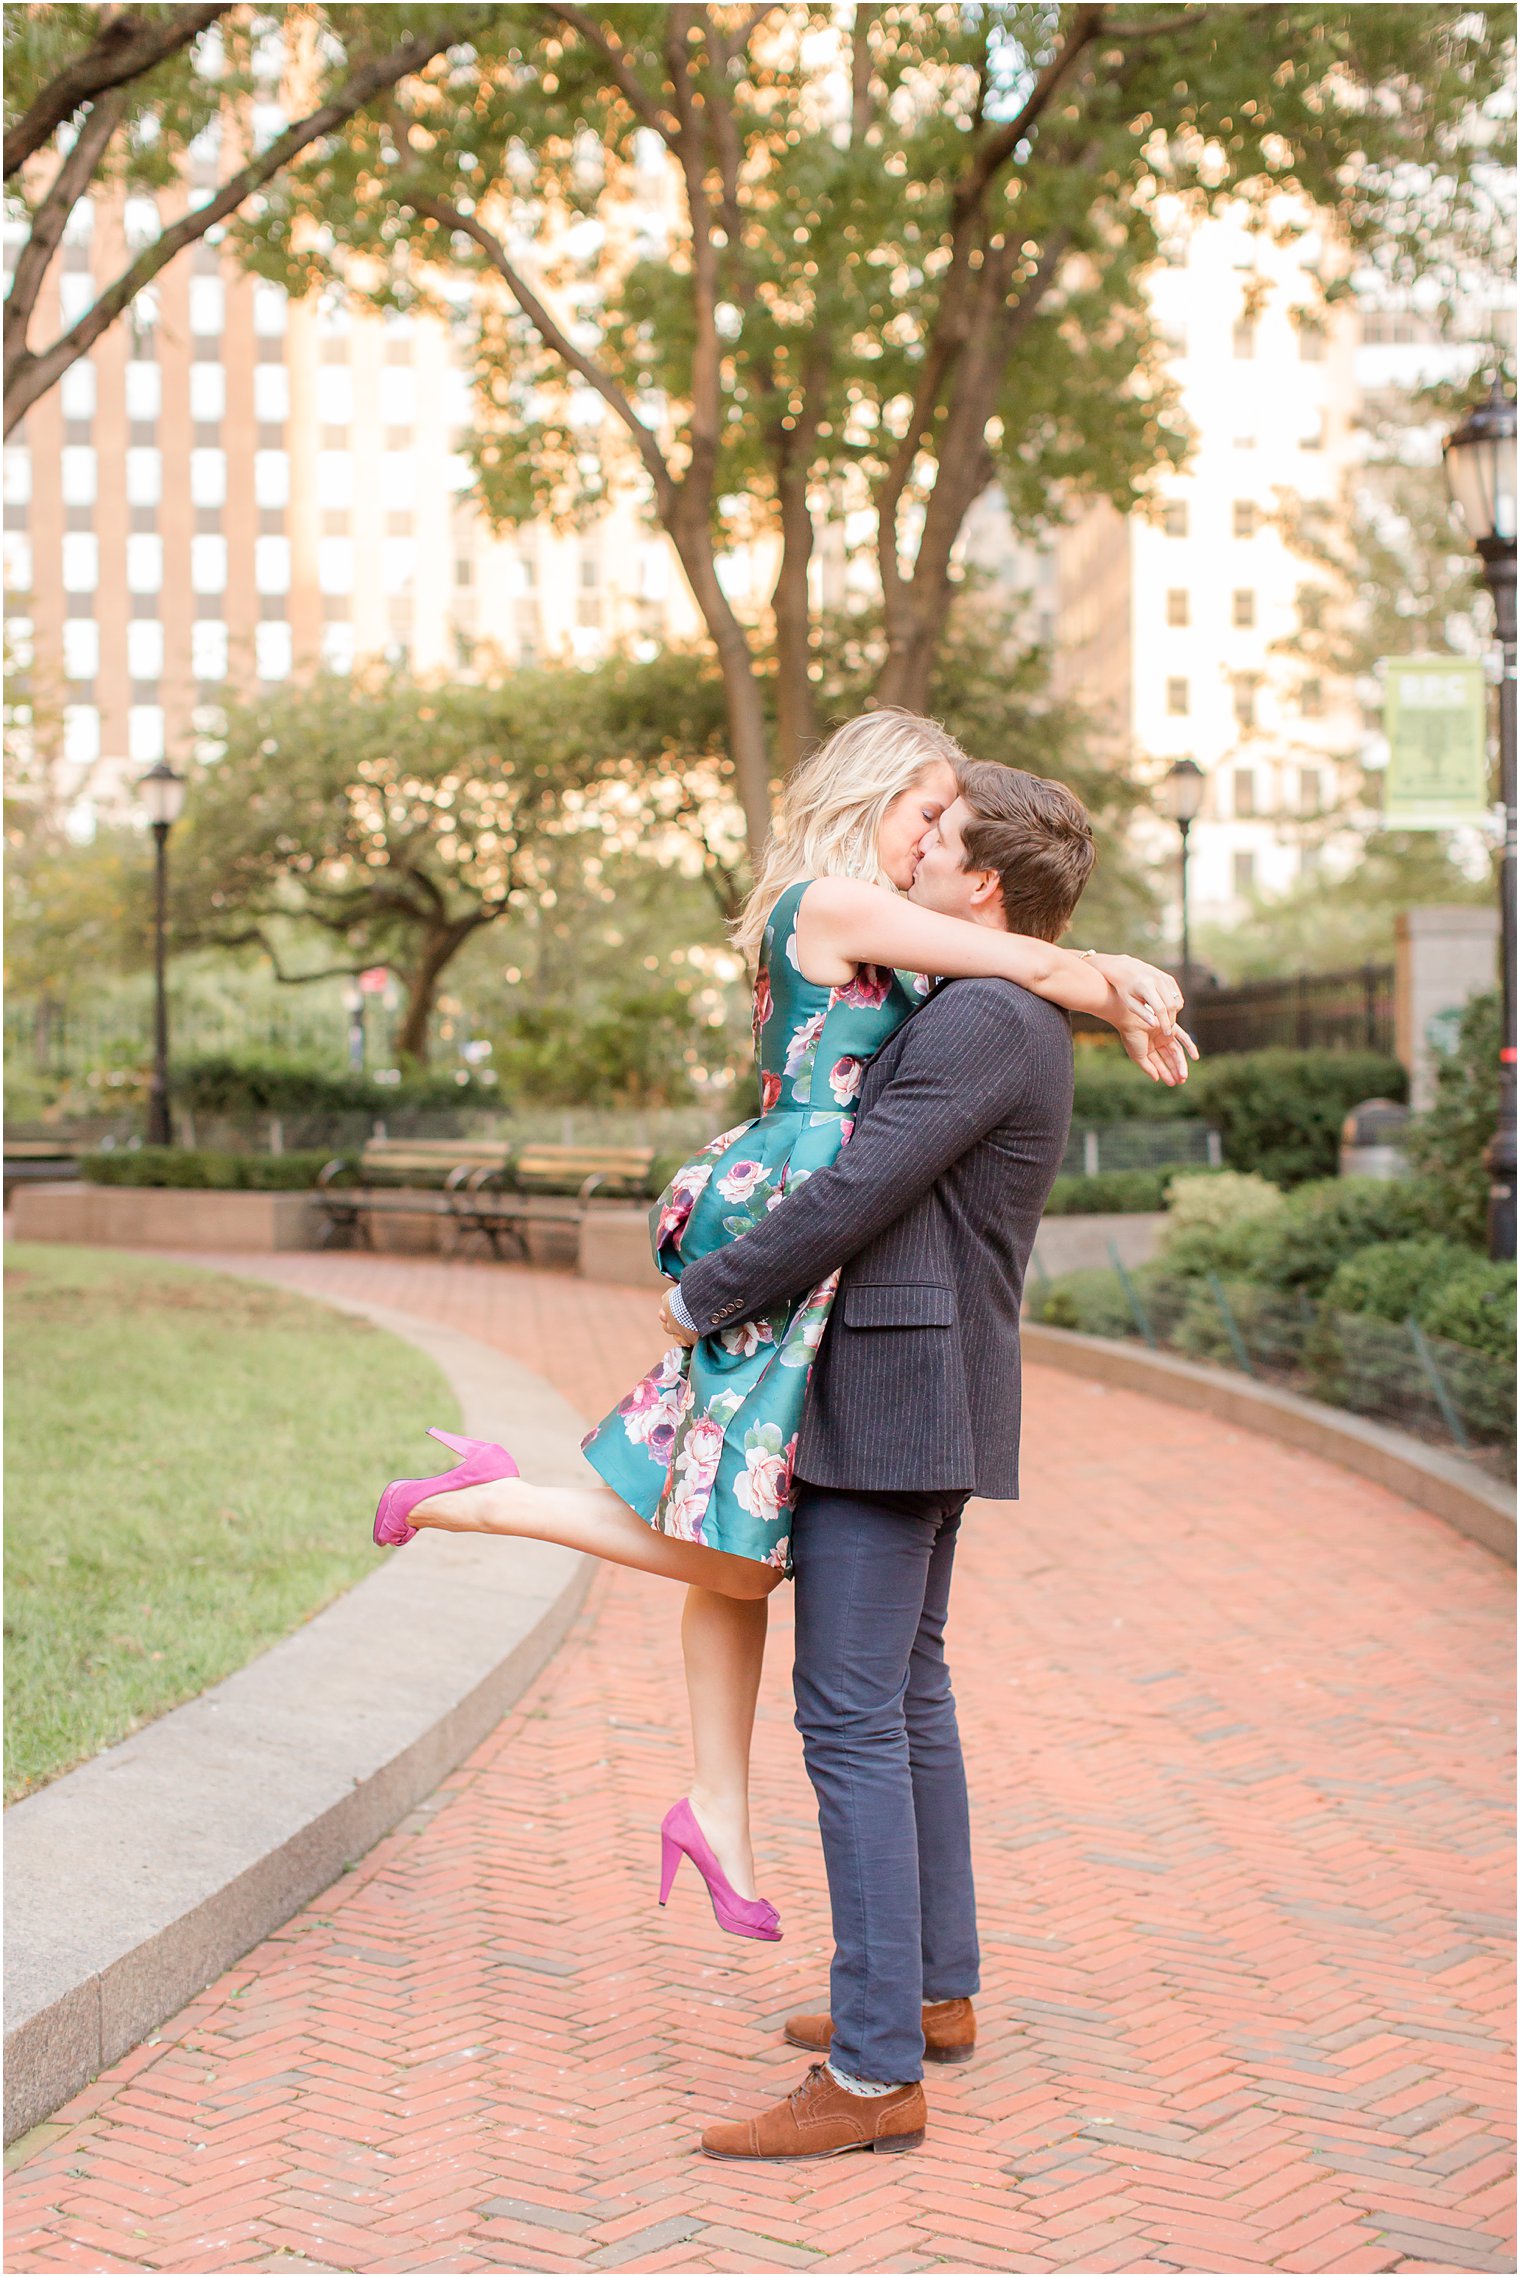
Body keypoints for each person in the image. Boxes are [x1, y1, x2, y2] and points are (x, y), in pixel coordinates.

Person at [371, 712, 1192, 1947]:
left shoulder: (883, 924)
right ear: (870, 799)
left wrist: (1102, 980)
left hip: (821, 1225)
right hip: (799, 1208)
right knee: (734, 1545)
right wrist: (1120, 981)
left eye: (938, 821)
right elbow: (1024, 961)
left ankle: (714, 1806)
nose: (926, 831)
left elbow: (1000, 953)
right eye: (921, 807)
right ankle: (482, 1496)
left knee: (733, 1530)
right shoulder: (832, 901)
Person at [670, 757, 1101, 2158]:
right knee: (907, 1696)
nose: (913, 850)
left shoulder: (980, 1019)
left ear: (982, 884)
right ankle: (929, 1996)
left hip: (901, 1386)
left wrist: (707, 1289)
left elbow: (860, 1189)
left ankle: (869, 2077)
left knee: (849, 1715)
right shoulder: (997, 1002)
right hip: (934, 1383)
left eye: (939, 834)